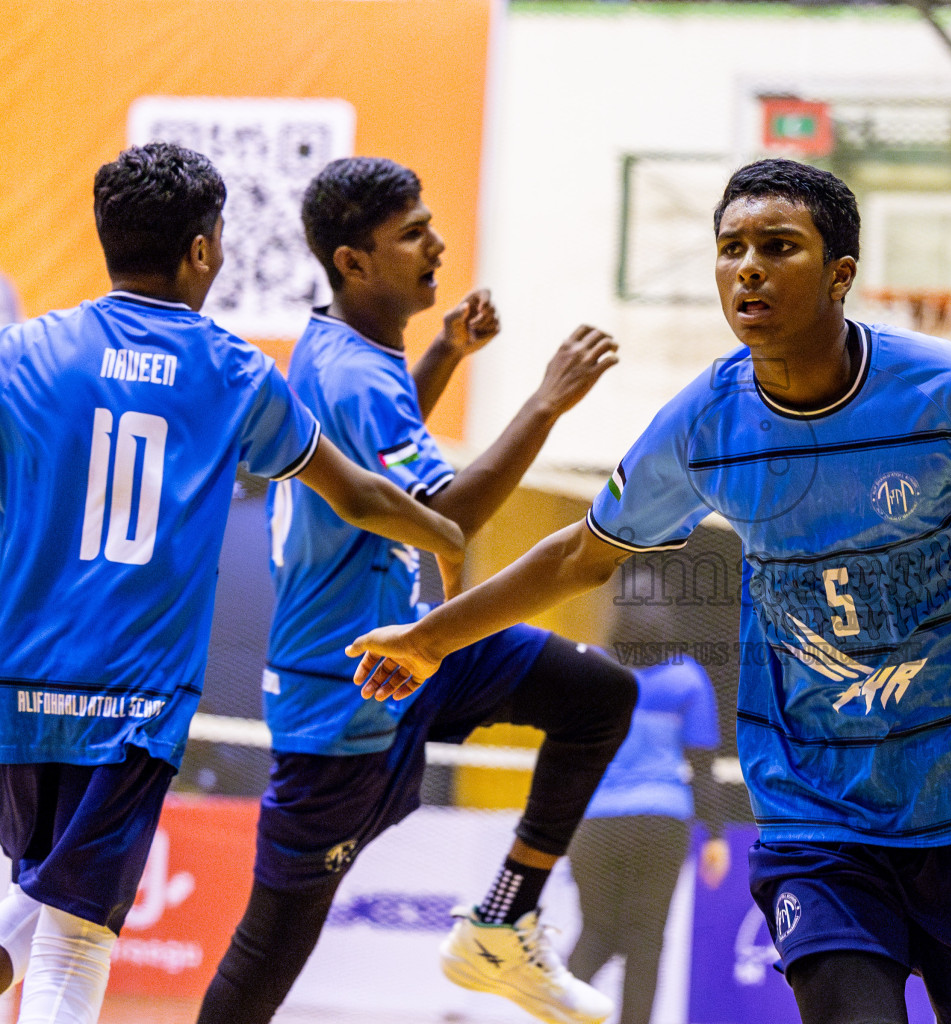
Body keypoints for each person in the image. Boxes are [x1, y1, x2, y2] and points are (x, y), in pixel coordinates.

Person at [347, 158, 951, 1024]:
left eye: (779, 247)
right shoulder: (703, 424)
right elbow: (580, 556)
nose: (748, 270)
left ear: (841, 273)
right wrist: (434, 636)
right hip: (818, 811)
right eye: (731, 250)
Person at [0, 142, 464, 1024]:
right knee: (77, 933)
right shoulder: (234, 369)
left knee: (36, 895)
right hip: (131, 698)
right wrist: (445, 534)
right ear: (204, 250)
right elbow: (360, 493)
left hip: (17, 685)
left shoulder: (24, 351)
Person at [198, 157, 635, 1024]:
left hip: (414, 649)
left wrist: (444, 353)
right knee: (269, 952)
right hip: (346, 692)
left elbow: (383, 454)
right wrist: (546, 404)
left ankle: (502, 924)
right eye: (412, 234)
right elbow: (446, 516)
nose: (437, 244)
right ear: (353, 260)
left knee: (597, 695)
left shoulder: (349, 349)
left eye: (430, 222)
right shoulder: (356, 372)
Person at [567, 655, 730, 1024]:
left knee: (595, 932)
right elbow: (702, 767)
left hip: (594, 822)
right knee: (645, 941)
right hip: (660, 823)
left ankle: (560, 1014)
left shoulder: (592, 668)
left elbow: (567, 750)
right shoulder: (686, 677)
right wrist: (715, 835)